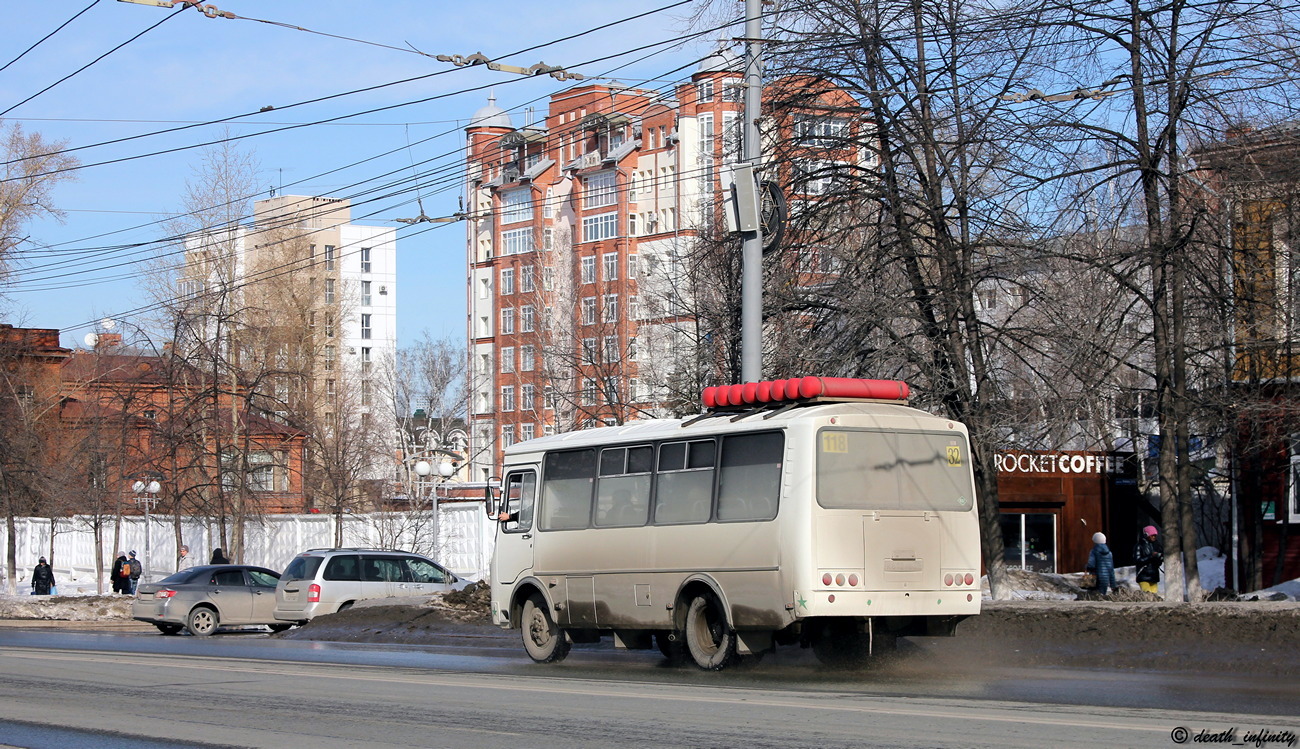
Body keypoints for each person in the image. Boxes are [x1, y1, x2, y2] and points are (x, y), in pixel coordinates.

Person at [1134, 525, 1163, 595]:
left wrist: (1160, 558)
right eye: (1152, 535)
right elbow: (1137, 560)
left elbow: (1158, 562)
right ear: (1146, 535)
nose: (1154, 537)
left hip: (1154, 576)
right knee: (1147, 597)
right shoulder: (1139, 546)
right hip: (1143, 575)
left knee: (1154, 597)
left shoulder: (1157, 545)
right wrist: (1151, 556)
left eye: (1155, 536)